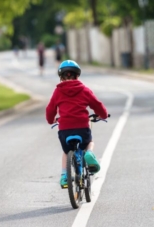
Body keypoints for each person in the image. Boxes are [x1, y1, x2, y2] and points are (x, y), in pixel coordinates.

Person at [45, 60, 108, 188]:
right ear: (77, 76)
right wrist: (103, 115)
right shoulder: (85, 90)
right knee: (89, 142)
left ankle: (64, 176)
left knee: (66, 151)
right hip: (82, 128)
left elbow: (50, 109)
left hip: (65, 130)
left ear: (61, 77)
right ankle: (89, 153)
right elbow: (97, 105)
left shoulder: (58, 92)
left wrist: (51, 120)